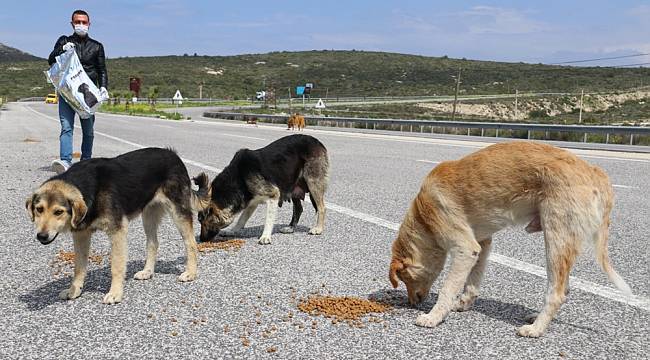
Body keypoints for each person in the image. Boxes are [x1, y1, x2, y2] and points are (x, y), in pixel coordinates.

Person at [48, 9, 108, 174]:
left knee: (88, 130)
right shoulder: (64, 40)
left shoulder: (97, 46)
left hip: (87, 95)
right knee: (66, 126)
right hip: (67, 93)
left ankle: (86, 162)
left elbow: (102, 70)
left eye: (84, 22)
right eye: (77, 22)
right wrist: (62, 49)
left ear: (89, 24)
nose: (81, 25)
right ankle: (65, 161)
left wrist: (103, 87)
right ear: (72, 23)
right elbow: (50, 59)